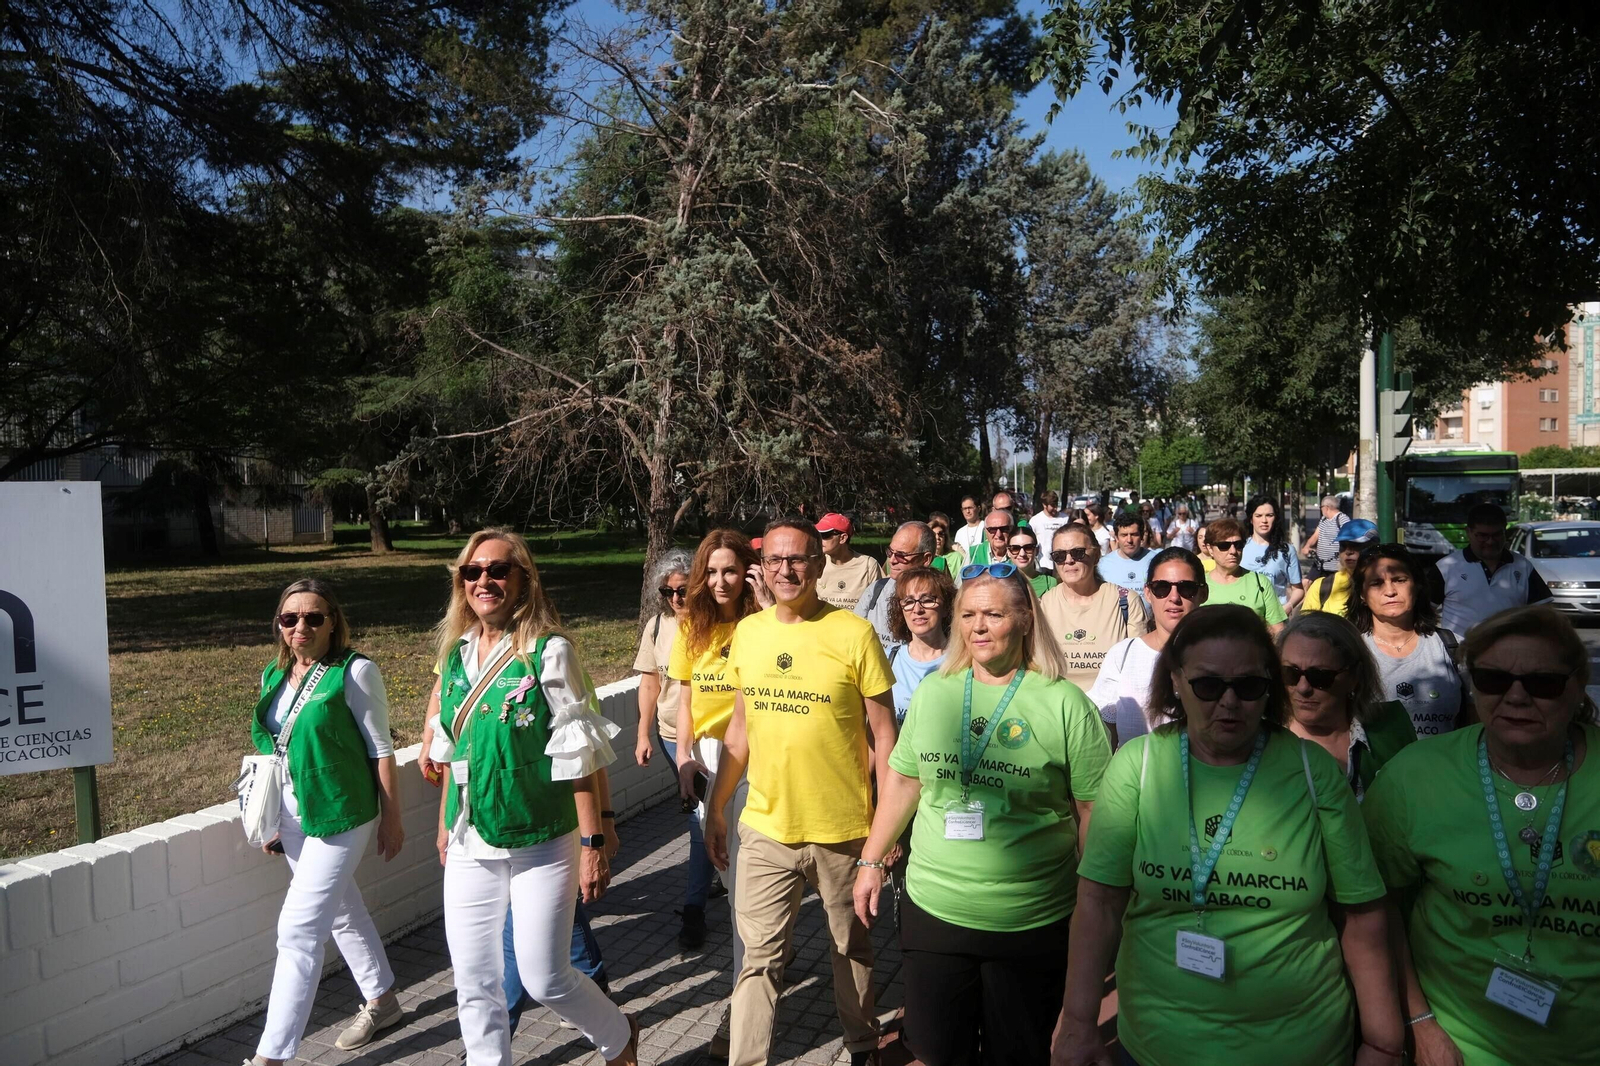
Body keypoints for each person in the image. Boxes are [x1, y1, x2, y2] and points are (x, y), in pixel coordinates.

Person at [1053, 604, 1403, 1066]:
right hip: (1159, 1046)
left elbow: (1361, 913)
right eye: (1209, 685)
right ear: (1176, 681)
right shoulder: (1137, 766)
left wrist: (1383, 1041)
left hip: (1300, 1045)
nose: (1229, 702)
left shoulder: (1311, 769)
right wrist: (1078, 1022)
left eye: (1250, 686)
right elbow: (1099, 902)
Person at [852, 560, 1111, 1066]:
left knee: (1017, 1053)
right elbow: (904, 781)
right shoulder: (934, 693)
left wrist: (1094, 899)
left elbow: (1092, 809)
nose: (977, 627)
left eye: (992, 614)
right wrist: (870, 860)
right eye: (968, 614)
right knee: (934, 1050)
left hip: (1030, 917)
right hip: (935, 911)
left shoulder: (1064, 704)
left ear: (1025, 620)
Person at [429, 529, 637, 1066]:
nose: (484, 581)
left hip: (543, 837)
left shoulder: (550, 653)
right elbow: (455, 752)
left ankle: (618, 1036)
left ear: (524, 579)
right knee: (474, 979)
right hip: (470, 836)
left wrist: (593, 841)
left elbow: (581, 754)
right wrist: (444, 822)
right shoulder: (455, 656)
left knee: (546, 976)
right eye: (472, 572)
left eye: (498, 570)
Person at [1363, 605, 1600, 1066]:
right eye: (1493, 679)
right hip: (1459, 1043)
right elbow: (1377, 908)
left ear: (1577, 687)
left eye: (1543, 683)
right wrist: (1419, 1024)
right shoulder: (1414, 777)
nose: (1516, 697)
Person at [704, 518, 897, 1066]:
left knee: (849, 949)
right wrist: (717, 808)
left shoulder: (853, 634)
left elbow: (884, 736)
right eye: (775, 561)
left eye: (798, 560)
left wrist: (883, 833)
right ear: (761, 569)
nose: (786, 570)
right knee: (758, 960)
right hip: (765, 827)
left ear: (818, 565)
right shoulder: (750, 632)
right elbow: (738, 730)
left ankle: (862, 1044)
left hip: (843, 829)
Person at [249, 580, 404, 1066]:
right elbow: (272, 749)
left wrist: (392, 818)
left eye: (314, 618)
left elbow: (380, 748)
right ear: (279, 625)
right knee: (340, 910)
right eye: (290, 619)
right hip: (293, 815)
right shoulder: (273, 676)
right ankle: (383, 1000)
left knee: (298, 930)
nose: (301, 627)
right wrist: (271, 817)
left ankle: (271, 1058)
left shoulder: (354, 672)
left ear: (333, 621)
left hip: (341, 812)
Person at [669, 530, 766, 1057]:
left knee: (744, 886)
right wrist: (683, 756)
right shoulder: (693, 629)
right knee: (731, 880)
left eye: (732, 570)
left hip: (758, 758)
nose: (721, 580)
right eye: (713, 571)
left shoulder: (762, 625)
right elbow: (685, 700)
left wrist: (770, 604)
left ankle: (741, 1003)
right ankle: (756, 969)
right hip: (708, 760)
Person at [631, 548, 720, 952]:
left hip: (716, 738)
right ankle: (699, 902)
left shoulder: (717, 623)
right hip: (673, 738)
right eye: (667, 592)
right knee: (700, 818)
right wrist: (642, 733)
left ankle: (696, 904)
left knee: (705, 820)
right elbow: (650, 683)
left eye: (682, 590)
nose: (676, 600)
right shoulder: (657, 627)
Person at [1277, 611, 1417, 800]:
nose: (1303, 687)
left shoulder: (1391, 728)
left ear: (1354, 676)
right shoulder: (1261, 740)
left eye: (1320, 676)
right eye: (1290, 673)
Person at [1086, 547, 1208, 749]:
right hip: (1134, 779)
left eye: (1186, 588)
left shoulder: (1220, 658)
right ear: (1148, 593)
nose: (1174, 597)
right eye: (1162, 587)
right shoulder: (1123, 655)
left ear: (1203, 593)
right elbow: (1103, 738)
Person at [1351, 543, 1465, 738]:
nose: (1390, 591)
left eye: (1399, 580)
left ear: (1417, 585)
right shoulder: (1349, 652)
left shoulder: (1455, 647)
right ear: (1362, 594)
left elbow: (1475, 723)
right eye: (1376, 583)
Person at [1039, 524, 1150, 691]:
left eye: (1078, 552)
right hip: (1060, 708)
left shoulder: (1126, 600)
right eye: (1059, 555)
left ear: (1096, 555)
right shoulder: (1045, 604)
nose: (1068, 560)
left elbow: (1139, 666)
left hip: (1112, 709)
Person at [1426, 502, 1553, 639]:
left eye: (1497, 535)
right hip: (1459, 655)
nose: (1490, 542)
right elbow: (1424, 612)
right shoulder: (1446, 567)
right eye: (1482, 536)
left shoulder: (1522, 566)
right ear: (1468, 532)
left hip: (1510, 654)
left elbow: (1544, 613)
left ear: (1505, 531)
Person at [855, 521, 937, 655]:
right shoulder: (876, 589)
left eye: (901, 555)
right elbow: (854, 634)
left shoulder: (938, 600)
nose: (892, 560)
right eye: (890, 552)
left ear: (926, 559)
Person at [887, 566, 954, 723]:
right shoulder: (887, 658)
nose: (917, 609)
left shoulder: (962, 660)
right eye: (909, 601)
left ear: (946, 608)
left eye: (928, 600)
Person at [1203, 517, 1287, 635]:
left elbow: (1278, 630)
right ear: (1209, 549)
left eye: (1238, 545)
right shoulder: (1199, 585)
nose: (1233, 551)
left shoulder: (1260, 583)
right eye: (1224, 545)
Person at [1241, 493, 1305, 613]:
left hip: (1275, 618)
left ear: (1275, 518)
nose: (1264, 520)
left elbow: (1298, 589)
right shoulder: (1240, 547)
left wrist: (1287, 607)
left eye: (1269, 515)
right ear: (1251, 519)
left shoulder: (1287, 550)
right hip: (1245, 618)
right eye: (1258, 516)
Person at [1301, 519, 1379, 617]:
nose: (1348, 552)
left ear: (1374, 547)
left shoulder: (1388, 587)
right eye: (1343, 546)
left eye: (1356, 545)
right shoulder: (1321, 586)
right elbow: (1306, 628)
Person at [817, 512, 879, 610]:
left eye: (825, 535)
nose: (819, 540)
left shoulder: (868, 565)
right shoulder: (818, 563)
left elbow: (879, 602)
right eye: (818, 535)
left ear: (842, 538)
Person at [1006, 526, 1059, 599]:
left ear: (1037, 551)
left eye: (1028, 548)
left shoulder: (1050, 583)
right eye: (1015, 548)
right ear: (1008, 552)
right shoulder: (1001, 581)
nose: (1022, 554)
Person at [1308, 495, 1350, 579]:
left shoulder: (1342, 519)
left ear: (1326, 508)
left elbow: (1348, 539)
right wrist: (1307, 546)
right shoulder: (1323, 519)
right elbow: (1316, 535)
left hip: (1334, 567)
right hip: (1319, 564)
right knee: (1306, 582)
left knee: (1329, 590)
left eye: (1321, 507)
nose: (1321, 509)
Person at [1030, 490, 1071, 572]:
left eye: (1056, 505)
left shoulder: (1065, 519)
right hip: (1043, 564)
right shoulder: (1035, 520)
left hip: (1061, 563)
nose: (1055, 508)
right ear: (1044, 505)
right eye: (1052, 505)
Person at [927, 511, 966, 579]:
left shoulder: (956, 557)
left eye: (941, 534)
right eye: (933, 534)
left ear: (945, 537)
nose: (937, 537)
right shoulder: (924, 559)